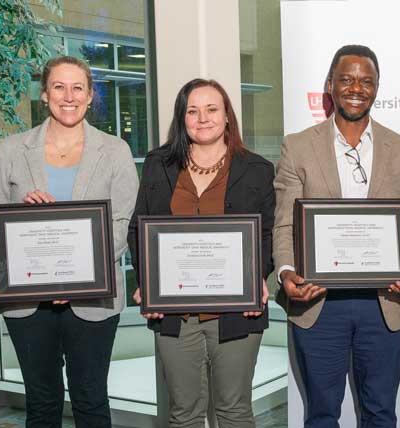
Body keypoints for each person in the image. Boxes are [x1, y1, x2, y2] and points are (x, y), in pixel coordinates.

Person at [0, 55, 138, 427]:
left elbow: (122, 222)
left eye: (78, 87)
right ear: (44, 94)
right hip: (27, 302)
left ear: (91, 96)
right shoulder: (12, 150)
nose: (68, 96)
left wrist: (76, 277)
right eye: (59, 87)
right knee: (41, 401)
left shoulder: (115, 151)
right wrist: (21, 213)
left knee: (91, 398)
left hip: (93, 301)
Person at [273, 44, 400, 428]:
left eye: (366, 81)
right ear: (330, 85)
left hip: (384, 303)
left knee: (380, 413)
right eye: (346, 79)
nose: (356, 88)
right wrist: (287, 272)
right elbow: (285, 223)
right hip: (319, 304)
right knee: (322, 415)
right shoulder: (298, 146)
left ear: (376, 88)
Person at [127, 78, 275, 428]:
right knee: (184, 414)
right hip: (175, 313)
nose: (202, 118)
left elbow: (267, 233)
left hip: (238, 310)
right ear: (182, 118)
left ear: (227, 117)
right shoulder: (157, 164)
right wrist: (148, 280)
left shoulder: (257, 169)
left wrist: (259, 278)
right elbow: (139, 228)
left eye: (211, 109)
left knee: (235, 410)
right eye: (192, 111)